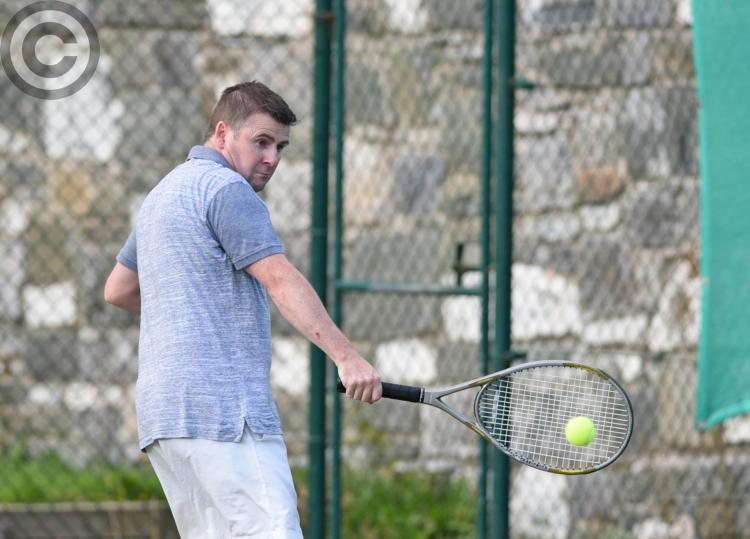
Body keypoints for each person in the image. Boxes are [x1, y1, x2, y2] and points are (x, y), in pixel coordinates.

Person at [104, 81, 382, 538]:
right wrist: (348, 358)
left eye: (280, 147)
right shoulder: (227, 189)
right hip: (225, 416)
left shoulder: (163, 193)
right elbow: (280, 279)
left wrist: (192, 310)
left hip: (165, 420)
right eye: (261, 142)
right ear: (222, 133)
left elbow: (118, 288)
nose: (271, 158)